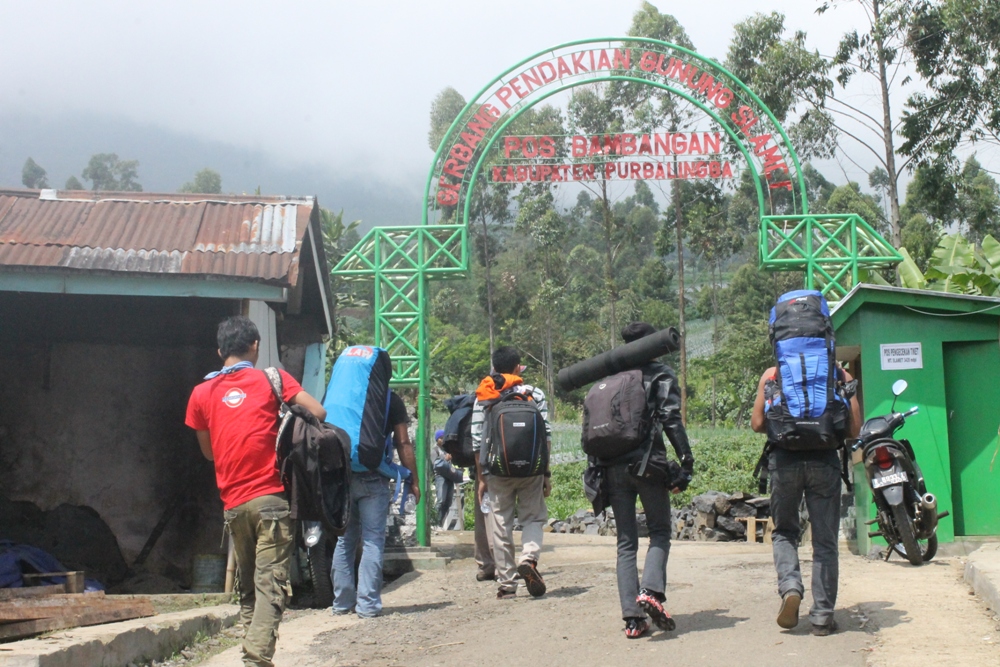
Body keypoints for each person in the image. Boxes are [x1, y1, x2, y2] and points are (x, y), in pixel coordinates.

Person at [185, 316, 326, 667]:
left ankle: (253, 652)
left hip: (233, 504)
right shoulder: (272, 378)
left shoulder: (201, 393)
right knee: (270, 586)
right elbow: (318, 411)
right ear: (255, 346)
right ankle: (256, 659)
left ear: (220, 351)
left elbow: (208, 452)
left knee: (249, 587)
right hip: (272, 499)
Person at [597, 322, 695, 639]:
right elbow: (670, 418)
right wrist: (686, 461)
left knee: (626, 543)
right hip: (647, 466)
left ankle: (633, 618)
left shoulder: (611, 378)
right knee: (660, 531)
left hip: (612, 467)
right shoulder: (659, 374)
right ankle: (651, 591)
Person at [751, 364, 861, 636]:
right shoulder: (839, 374)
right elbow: (856, 428)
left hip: (784, 460)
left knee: (785, 533)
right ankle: (823, 616)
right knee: (825, 541)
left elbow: (756, 424)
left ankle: (790, 587)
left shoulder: (772, 373)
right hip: (824, 460)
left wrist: (787, 427)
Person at [471, 346, 551, 599]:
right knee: (533, 518)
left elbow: (476, 439)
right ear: (518, 367)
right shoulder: (533, 393)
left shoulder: (485, 395)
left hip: (497, 471)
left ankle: (507, 583)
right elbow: (546, 435)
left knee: (501, 523)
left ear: (494, 368)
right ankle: (529, 558)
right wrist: (545, 473)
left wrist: (481, 478)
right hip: (531, 470)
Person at [332, 389, 420, 618]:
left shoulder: (343, 393)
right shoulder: (390, 398)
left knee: (344, 540)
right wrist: (414, 479)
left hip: (343, 476)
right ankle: (368, 605)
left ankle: (341, 603)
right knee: (372, 540)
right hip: (374, 476)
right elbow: (402, 442)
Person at [433, 430, 465, 528]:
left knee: (448, 502)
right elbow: (434, 464)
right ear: (437, 439)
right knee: (441, 500)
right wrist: (444, 459)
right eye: (440, 438)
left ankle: (440, 523)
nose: (442, 440)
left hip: (449, 477)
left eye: (443, 438)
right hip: (440, 477)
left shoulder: (446, 450)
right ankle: (434, 523)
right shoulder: (435, 450)